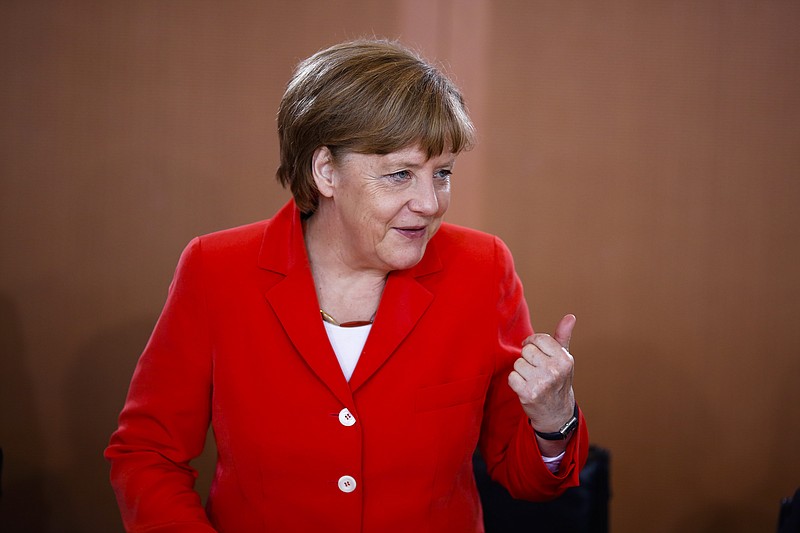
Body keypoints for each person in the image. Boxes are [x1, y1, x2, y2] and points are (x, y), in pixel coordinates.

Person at [105, 39, 589, 532]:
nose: (431, 202)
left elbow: (524, 475)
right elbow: (147, 454)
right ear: (325, 171)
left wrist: (555, 419)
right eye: (400, 174)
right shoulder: (216, 268)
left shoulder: (481, 267)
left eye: (441, 173)